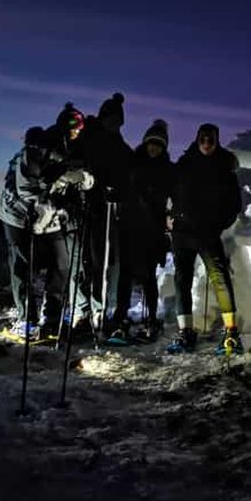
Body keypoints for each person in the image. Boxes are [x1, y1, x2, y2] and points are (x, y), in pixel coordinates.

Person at [0, 103, 92, 340]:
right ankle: (26, 320)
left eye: (79, 129)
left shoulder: (73, 153)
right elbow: (26, 189)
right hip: (20, 216)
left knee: (61, 265)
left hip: (51, 219)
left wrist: (81, 183)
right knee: (23, 267)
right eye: (72, 128)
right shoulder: (35, 149)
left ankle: (52, 320)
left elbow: (77, 180)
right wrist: (54, 200)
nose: (75, 133)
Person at [167, 123, 244, 355]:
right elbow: (171, 192)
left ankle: (231, 334)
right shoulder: (184, 164)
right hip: (182, 233)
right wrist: (170, 215)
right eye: (203, 138)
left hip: (208, 233)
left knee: (220, 279)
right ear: (198, 138)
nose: (207, 143)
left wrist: (218, 225)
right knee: (182, 281)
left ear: (216, 140)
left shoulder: (224, 167)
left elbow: (233, 205)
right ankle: (185, 333)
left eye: (211, 139)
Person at [69, 92, 133, 334]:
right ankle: (80, 311)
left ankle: (97, 310)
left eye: (117, 121)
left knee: (99, 264)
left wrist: (119, 193)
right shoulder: (87, 137)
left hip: (104, 212)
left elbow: (127, 177)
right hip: (81, 207)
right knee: (79, 262)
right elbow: (72, 161)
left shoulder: (121, 148)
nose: (113, 124)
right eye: (110, 119)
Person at [107, 119, 173, 343]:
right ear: (145, 143)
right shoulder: (132, 163)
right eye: (151, 143)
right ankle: (120, 318)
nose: (154, 147)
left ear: (164, 147)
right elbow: (120, 185)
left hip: (152, 230)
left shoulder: (167, 169)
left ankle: (151, 318)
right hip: (129, 225)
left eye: (159, 144)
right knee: (125, 273)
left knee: (148, 276)